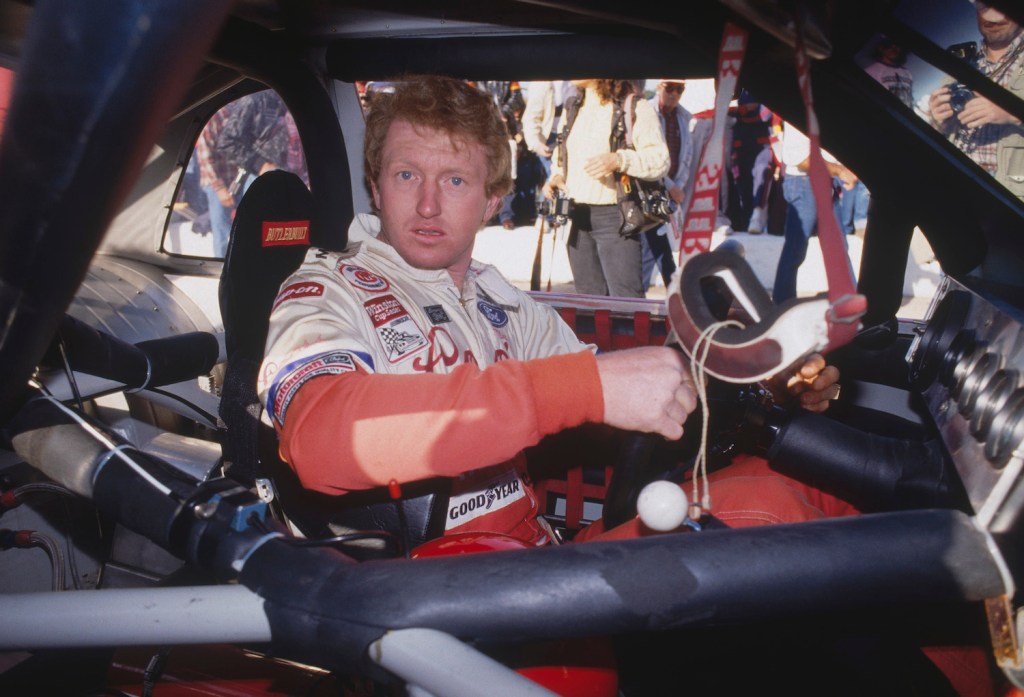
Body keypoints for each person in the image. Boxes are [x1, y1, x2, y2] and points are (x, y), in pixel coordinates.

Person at [258, 74, 846, 549]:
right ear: (377, 185)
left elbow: (624, 399)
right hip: (427, 594)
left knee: (805, 483)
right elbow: (321, 439)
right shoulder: (327, 288)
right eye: (407, 174)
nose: (428, 202)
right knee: (768, 517)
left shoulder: (504, 303)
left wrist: (763, 385)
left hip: (535, 555)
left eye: (456, 180)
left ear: (492, 200)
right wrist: (572, 390)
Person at [543, 80, 669, 298]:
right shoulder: (573, 106)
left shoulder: (634, 106)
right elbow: (560, 156)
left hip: (615, 216)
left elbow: (660, 160)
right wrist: (555, 176)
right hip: (575, 216)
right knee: (588, 303)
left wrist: (619, 160)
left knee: (626, 303)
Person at [928, 0, 1024, 199]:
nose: (993, 18)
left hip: (1011, 196)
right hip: (955, 186)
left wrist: (1011, 113)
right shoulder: (960, 60)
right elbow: (938, 136)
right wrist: (937, 122)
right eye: (985, 6)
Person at [771, 122, 856, 303]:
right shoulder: (798, 109)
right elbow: (801, 160)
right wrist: (841, 171)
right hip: (804, 183)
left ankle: (850, 304)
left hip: (823, 181)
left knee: (838, 248)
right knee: (796, 249)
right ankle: (781, 307)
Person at [644, 79, 694, 290]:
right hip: (650, 187)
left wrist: (677, 186)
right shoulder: (648, 112)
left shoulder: (683, 117)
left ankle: (674, 292)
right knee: (651, 245)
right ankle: (639, 296)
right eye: (670, 88)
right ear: (659, 87)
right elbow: (649, 155)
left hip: (670, 193)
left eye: (679, 89)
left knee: (659, 244)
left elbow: (686, 157)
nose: (674, 94)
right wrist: (670, 185)